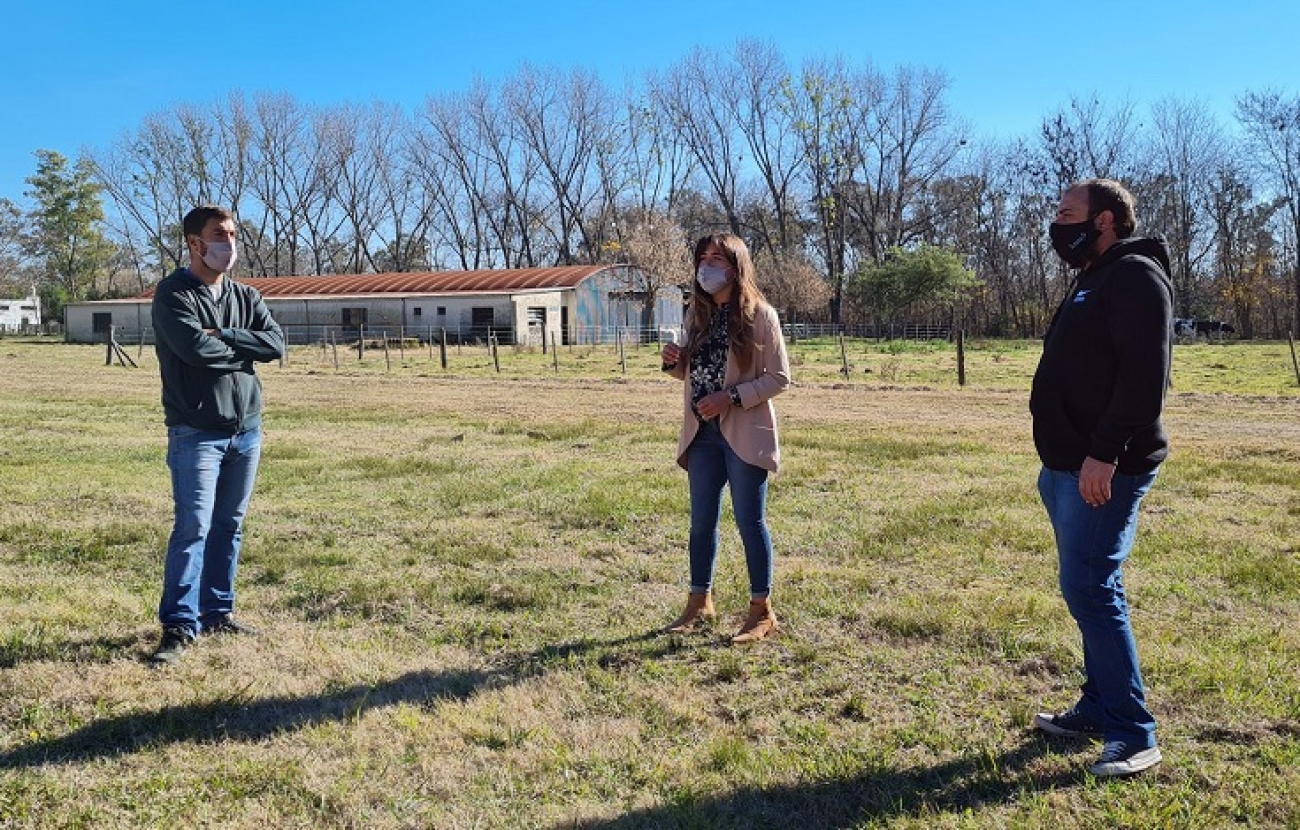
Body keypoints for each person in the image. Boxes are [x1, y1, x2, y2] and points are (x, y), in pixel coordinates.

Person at [1029, 178, 1174, 777]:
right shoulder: (1093, 277)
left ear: (1106, 220)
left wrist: (1104, 453)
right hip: (1067, 466)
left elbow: (1145, 379)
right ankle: (1097, 707)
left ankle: (1134, 732)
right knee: (1084, 590)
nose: (1057, 224)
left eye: (1068, 213)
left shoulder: (1135, 276)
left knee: (1092, 587)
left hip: (1103, 469)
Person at [148, 205, 285, 665]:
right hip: (196, 433)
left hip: (247, 430)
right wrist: (244, 350)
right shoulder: (174, 294)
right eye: (219, 235)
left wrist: (224, 334)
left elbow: (276, 344)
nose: (229, 243)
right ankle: (179, 625)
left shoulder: (246, 295)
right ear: (194, 243)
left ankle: (217, 612)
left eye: (232, 234)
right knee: (194, 528)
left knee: (230, 526)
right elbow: (194, 350)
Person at [661, 233, 790, 644]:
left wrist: (731, 397)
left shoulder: (761, 316)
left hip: (744, 431)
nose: (707, 266)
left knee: (750, 522)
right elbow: (693, 372)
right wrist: (674, 363)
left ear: (736, 266)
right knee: (701, 523)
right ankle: (699, 603)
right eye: (703, 258)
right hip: (701, 432)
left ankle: (761, 610)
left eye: (716, 258)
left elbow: (779, 378)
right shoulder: (695, 316)